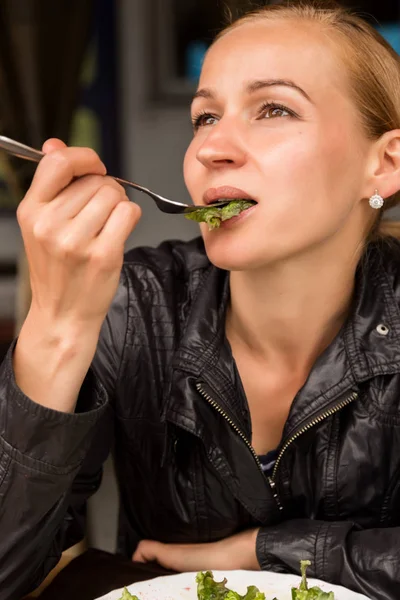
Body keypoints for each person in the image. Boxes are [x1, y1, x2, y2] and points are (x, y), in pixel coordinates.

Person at [1, 1, 400, 598]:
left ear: (386, 163)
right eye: (205, 116)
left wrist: (263, 551)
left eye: (273, 109)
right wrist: (57, 325)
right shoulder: (134, 304)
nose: (213, 148)